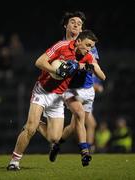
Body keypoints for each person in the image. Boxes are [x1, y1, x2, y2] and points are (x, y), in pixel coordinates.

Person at [7, 29, 105, 170]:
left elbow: (102, 76)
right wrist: (57, 71)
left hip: (58, 97)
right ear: (78, 42)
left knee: (54, 138)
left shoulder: (88, 57)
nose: (90, 49)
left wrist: (91, 67)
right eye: (88, 45)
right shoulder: (62, 46)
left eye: (92, 46)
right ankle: (14, 162)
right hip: (42, 91)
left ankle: (39, 123)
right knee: (30, 128)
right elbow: (39, 62)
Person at [37, 11, 105, 162]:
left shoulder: (89, 45)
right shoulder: (60, 46)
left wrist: (97, 83)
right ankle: (85, 151)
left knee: (75, 126)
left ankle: (56, 145)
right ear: (65, 25)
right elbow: (49, 67)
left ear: (82, 30)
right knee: (81, 116)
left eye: (79, 23)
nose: (76, 25)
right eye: (73, 22)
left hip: (86, 89)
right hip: (68, 89)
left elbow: (95, 68)